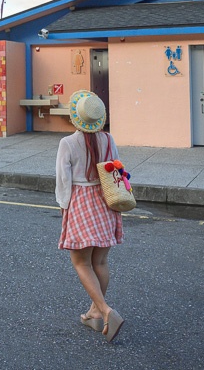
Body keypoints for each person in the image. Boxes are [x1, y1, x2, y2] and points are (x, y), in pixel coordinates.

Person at [55, 89, 125, 342]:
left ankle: (106, 311)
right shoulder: (108, 139)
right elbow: (116, 168)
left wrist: (64, 206)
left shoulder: (68, 143)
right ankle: (94, 313)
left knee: (81, 263)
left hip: (81, 202)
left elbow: (63, 180)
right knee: (101, 262)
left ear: (75, 117)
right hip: (105, 201)